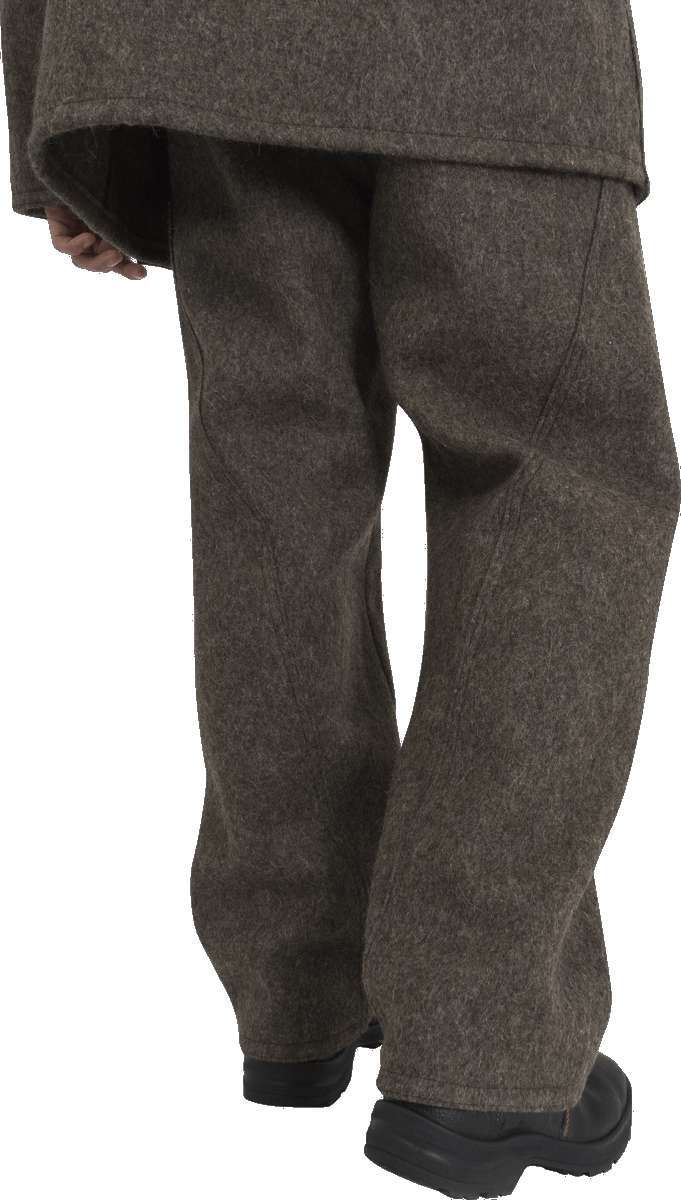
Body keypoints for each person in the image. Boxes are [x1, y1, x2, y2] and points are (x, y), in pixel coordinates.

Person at [2, 4, 678, 1196]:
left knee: (276, 479)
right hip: (490, 42)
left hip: (186, 41)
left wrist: (53, 110)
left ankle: (302, 982)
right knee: (558, 474)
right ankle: (477, 1037)